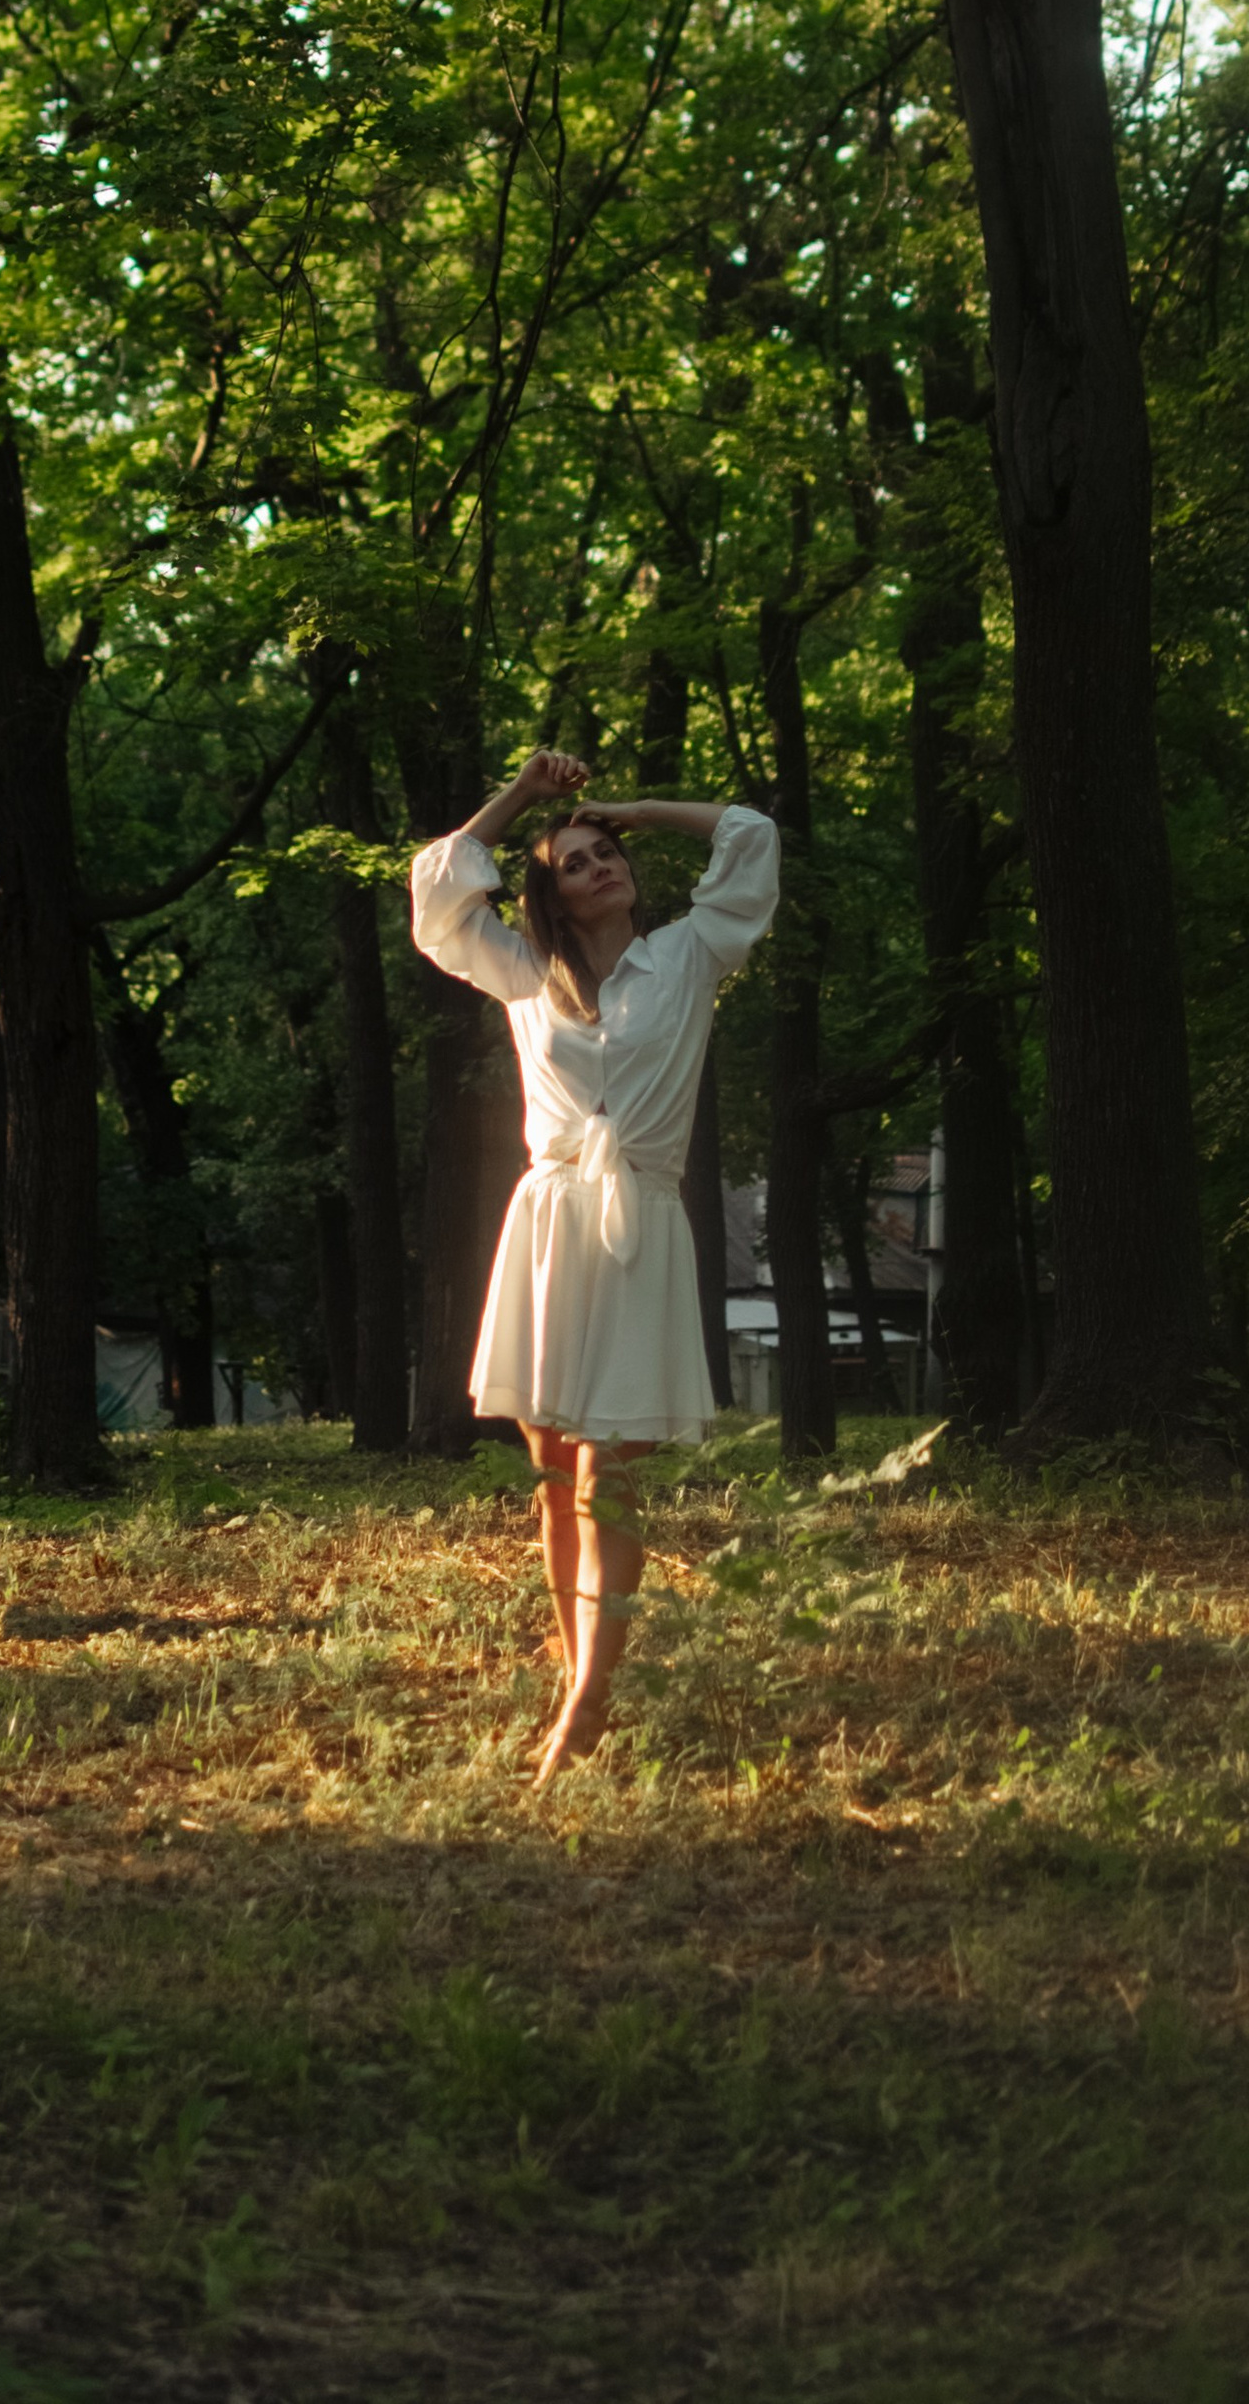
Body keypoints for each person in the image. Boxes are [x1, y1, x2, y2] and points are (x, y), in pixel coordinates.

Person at [409, 749, 781, 1779]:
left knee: (606, 1474)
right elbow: (438, 893)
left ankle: (584, 1703)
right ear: (552, 897)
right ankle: (581, 1678)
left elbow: (750, 835)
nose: (597, 865)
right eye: (572, 863)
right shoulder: (527, 974)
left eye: (605, 853)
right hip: (551, 1223)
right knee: (552, 1475)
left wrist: (638, 809)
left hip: (639, 1224)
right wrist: (521, 797)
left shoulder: (691, 955)